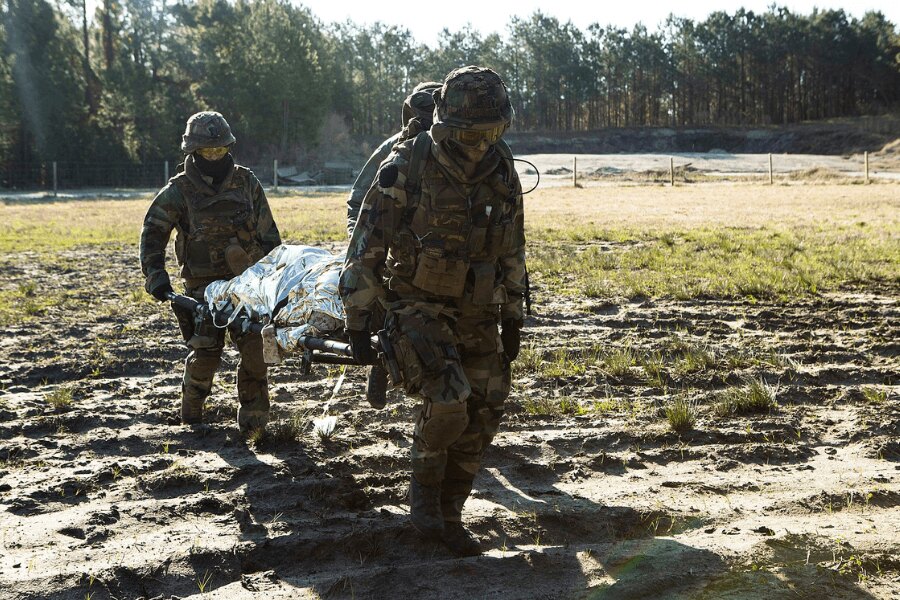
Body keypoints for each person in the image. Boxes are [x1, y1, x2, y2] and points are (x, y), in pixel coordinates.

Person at [339, 66, 526, 556]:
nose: (482, 143)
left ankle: (451, 511)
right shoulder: (406, 167)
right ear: (445, 125)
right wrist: (360, 321)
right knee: (448, 401)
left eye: (493, 132)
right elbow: (364, 250)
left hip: (480, 306)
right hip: (416, 305)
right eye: (471, 133)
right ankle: (424, 502)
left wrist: (514, 312)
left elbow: (512, 244)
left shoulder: (502, 168)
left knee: (486, 407)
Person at [139, 111, 282, 432]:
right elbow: (153, 235)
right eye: (207, 151)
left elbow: (269, 236)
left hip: (248, 285)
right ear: (193, 151)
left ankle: (255, 422)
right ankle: (191, 413)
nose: (215, 156)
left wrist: (276, 281)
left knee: (256, 350)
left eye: (220, 150)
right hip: (203, 289)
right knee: (206, 354)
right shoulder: (178, 191)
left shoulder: (247, 183)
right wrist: (156, 277)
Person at [345, 80, 442, 238]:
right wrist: (358, 245)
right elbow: (358, 200)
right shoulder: (393, 147)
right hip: (401, 252)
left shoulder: (463, 146)